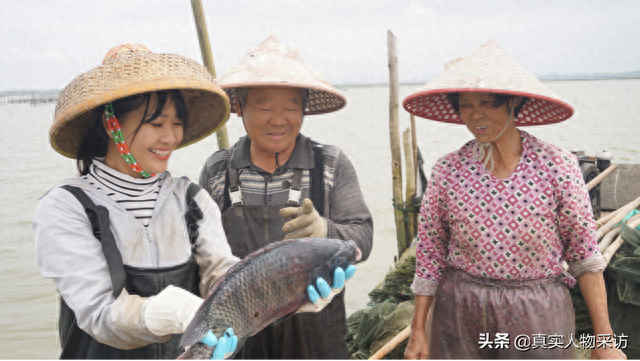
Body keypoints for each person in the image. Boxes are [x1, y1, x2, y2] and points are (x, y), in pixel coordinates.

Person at [33, 43, 343, 361]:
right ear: (112, 125)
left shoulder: (191, 200)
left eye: (177, 123)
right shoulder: (67, 207)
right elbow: (100, 315)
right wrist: (177, 312)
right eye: (156, 124)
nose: (170, 138)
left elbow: (225, 278)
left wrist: (288, 294)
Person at [402, 40, 626, 361]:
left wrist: (604, 341)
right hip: (460, 314)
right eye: (465, 105)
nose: (475, 115)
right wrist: (419, 332)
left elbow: (584, 256)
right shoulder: (448, 169)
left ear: (515, 102)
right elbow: (430, 255)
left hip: (537, 316)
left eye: (488, 103)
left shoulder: (556, 166)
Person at [199, 36, 373, 361]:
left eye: (291, 108)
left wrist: (325, 230)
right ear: (239, 107)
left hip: (316, 327)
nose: (278, 120)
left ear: (305, 109)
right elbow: (200, 253)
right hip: (240, 329)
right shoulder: (217, 169)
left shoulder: (331, 164)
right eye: (264, 107)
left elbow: (363, 239)